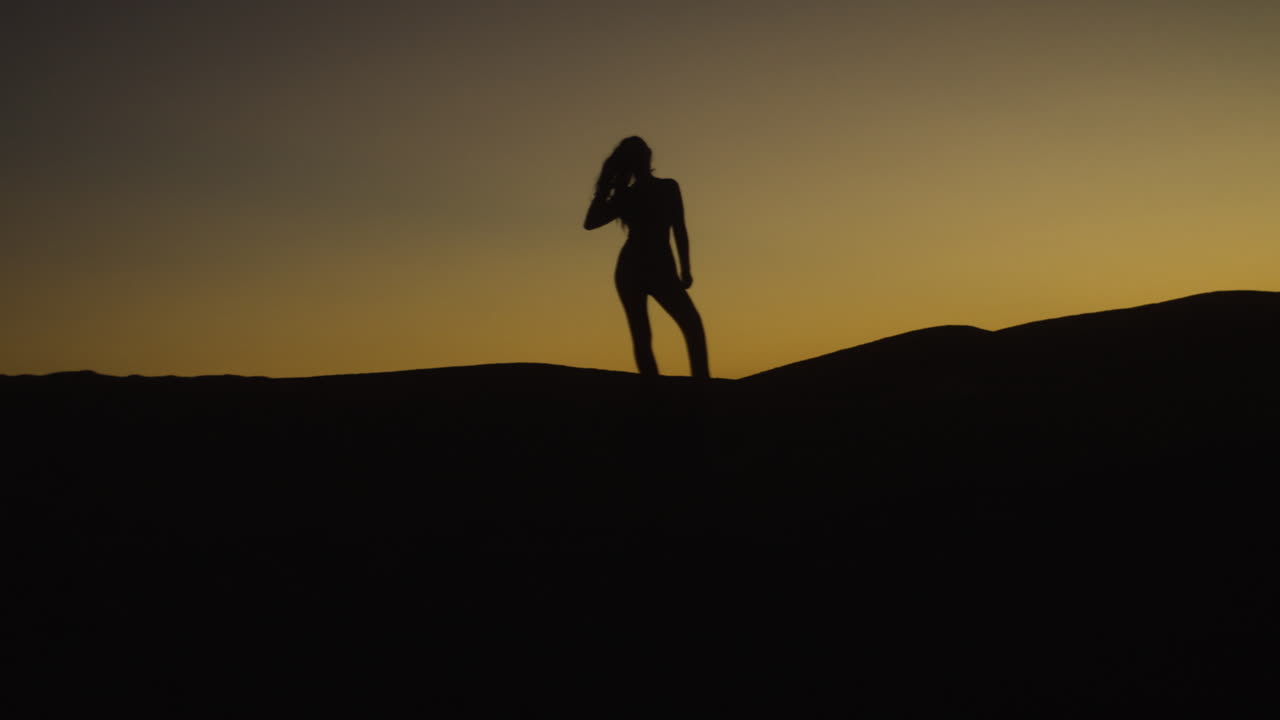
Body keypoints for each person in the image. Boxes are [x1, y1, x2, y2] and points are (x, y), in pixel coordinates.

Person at [584, 137, 710, 379]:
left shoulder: (661, 188)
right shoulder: (632, 195)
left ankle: (700, 383)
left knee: (684, 326)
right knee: (651, 332)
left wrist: (686, 269)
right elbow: (590, 224)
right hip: (640, 267)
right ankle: (667, 389)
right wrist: (605, 189)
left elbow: (679, 229)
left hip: (651, 267)